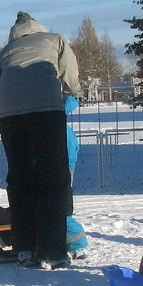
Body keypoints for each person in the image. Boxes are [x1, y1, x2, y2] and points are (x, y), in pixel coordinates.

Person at [0, 11, 82, 269]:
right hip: (46, 111)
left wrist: (6, 114)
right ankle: (53, 251)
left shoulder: (5, 52)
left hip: (10, 117)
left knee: (20, 180)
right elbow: (69, 73)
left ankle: (25, 249)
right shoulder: (54, 40)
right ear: (38, 26)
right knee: (53, 180)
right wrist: (73, 92)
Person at [63, 95, 88, 259]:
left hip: (61, 172)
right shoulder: (64, 129)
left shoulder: (62, 130)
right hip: (63, 170)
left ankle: (78, 245)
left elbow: (69, 154)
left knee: (63, 211)